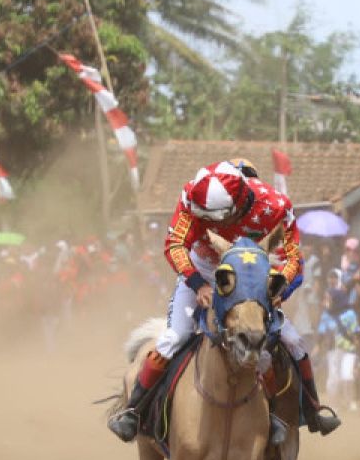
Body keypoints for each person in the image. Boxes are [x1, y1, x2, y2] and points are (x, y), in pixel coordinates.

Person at [109, 160, 340, 442]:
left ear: (240, 203)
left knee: (291, 341)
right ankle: (134, 411)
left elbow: (293, 258)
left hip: (253, 276)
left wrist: (280, 289)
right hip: (204, 268)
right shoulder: (191, 195)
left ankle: (312, 410)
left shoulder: (277, 206)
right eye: (208, 218)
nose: (214, 225)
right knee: (175, 336)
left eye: (220, 218)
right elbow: (174, 244)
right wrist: (197, 283)